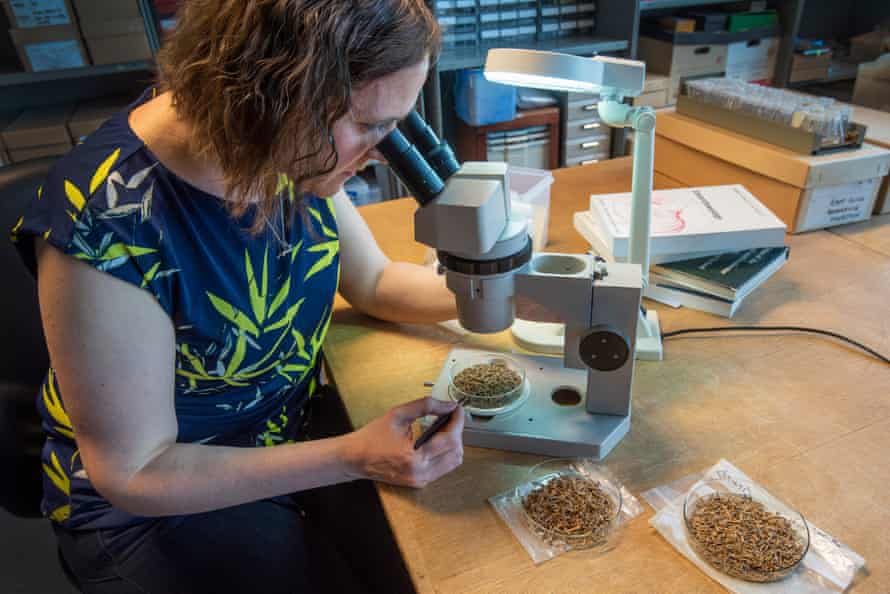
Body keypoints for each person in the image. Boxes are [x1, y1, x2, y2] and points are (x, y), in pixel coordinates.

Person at [11, 1, 464, 592]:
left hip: (290, 437)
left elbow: (373, 281)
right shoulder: (110, 226)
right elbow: (135, 472)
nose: (384, 149)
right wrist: (352, 455)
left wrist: (493, 286)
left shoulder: (277, 145)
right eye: (372, 124)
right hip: (156, 504)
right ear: (273, 93)